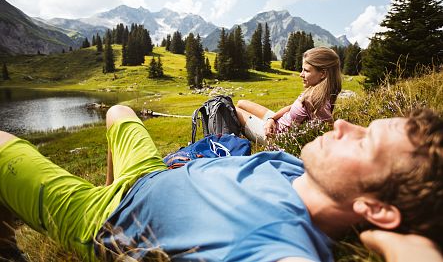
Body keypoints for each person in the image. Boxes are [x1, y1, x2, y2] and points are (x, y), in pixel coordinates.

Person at [0, 105, 442, 262]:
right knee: (118, 112)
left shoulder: (278, 242)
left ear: (378, 209)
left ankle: (64, 217)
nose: (346, 123)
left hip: (105, 219)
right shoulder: (294, 169)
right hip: (147, 175)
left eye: (366, 142)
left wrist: (408, 247)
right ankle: (100, 183)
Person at [236, 47, 342, 145]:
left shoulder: (317, 102)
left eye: (306, 70)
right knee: (241, 103)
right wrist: (271, 119)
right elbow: (290, 107)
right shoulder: (313, 90)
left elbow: (331, 132)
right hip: (277, 122)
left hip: (273, 136)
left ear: (323, 74)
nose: (301, 74)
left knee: (232, 109)